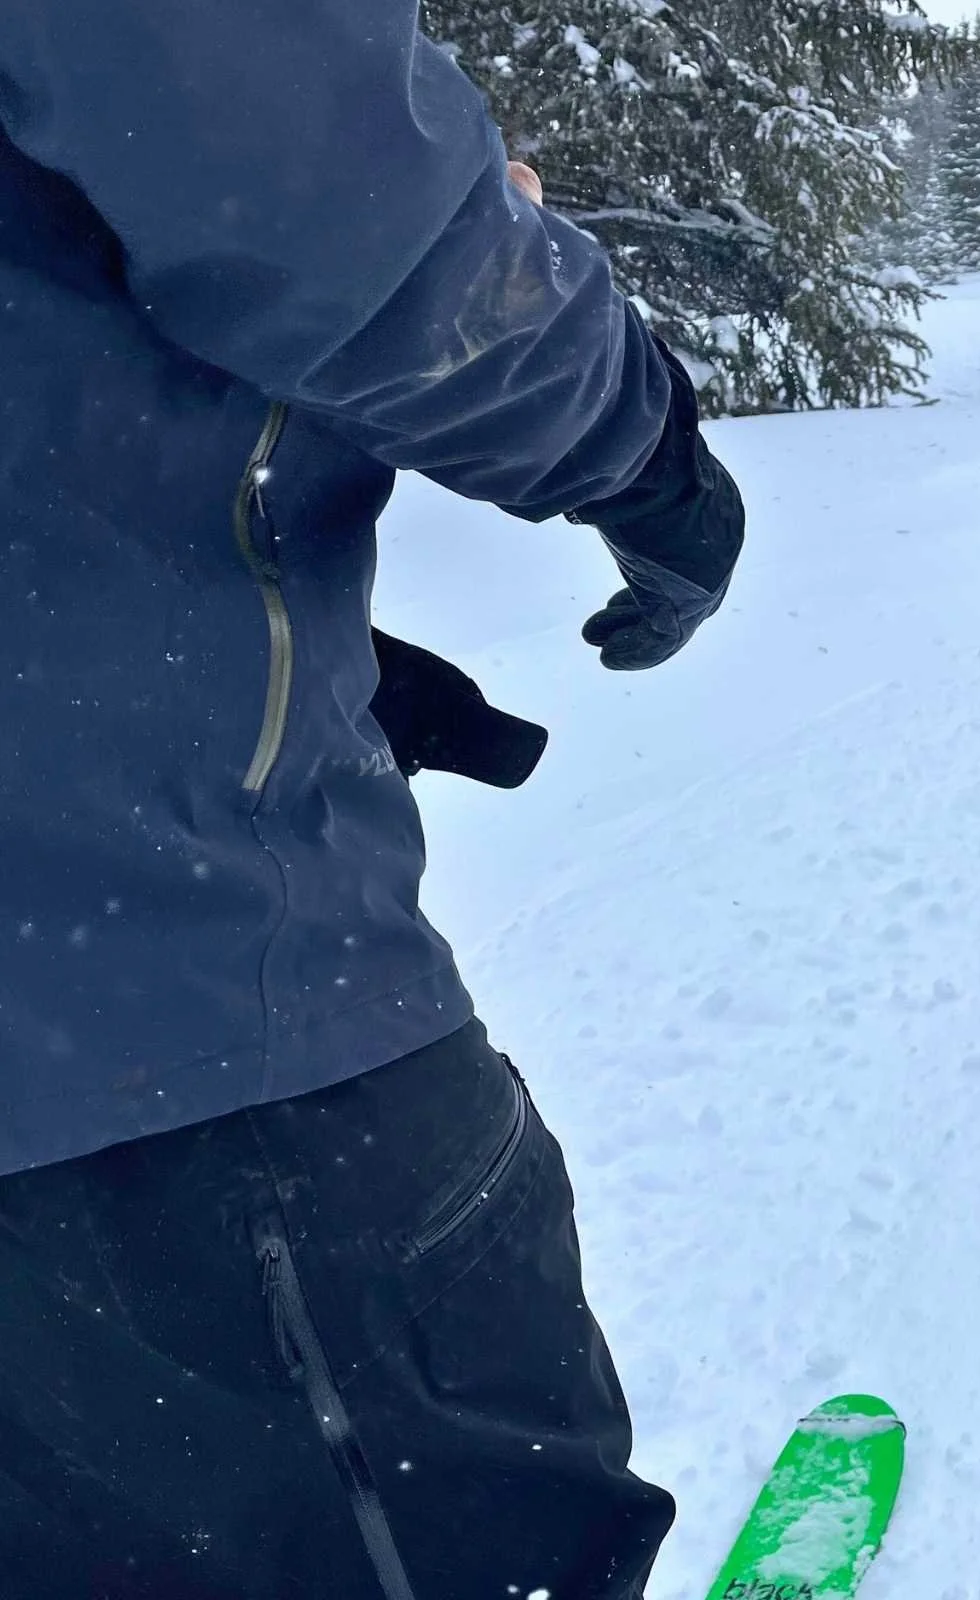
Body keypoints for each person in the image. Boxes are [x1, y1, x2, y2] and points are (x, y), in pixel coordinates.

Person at [0, 4, 747, 1594]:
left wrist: (175, 628)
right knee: (468, 1527)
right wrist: (646, 451)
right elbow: (328, 193)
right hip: (168, 1014)